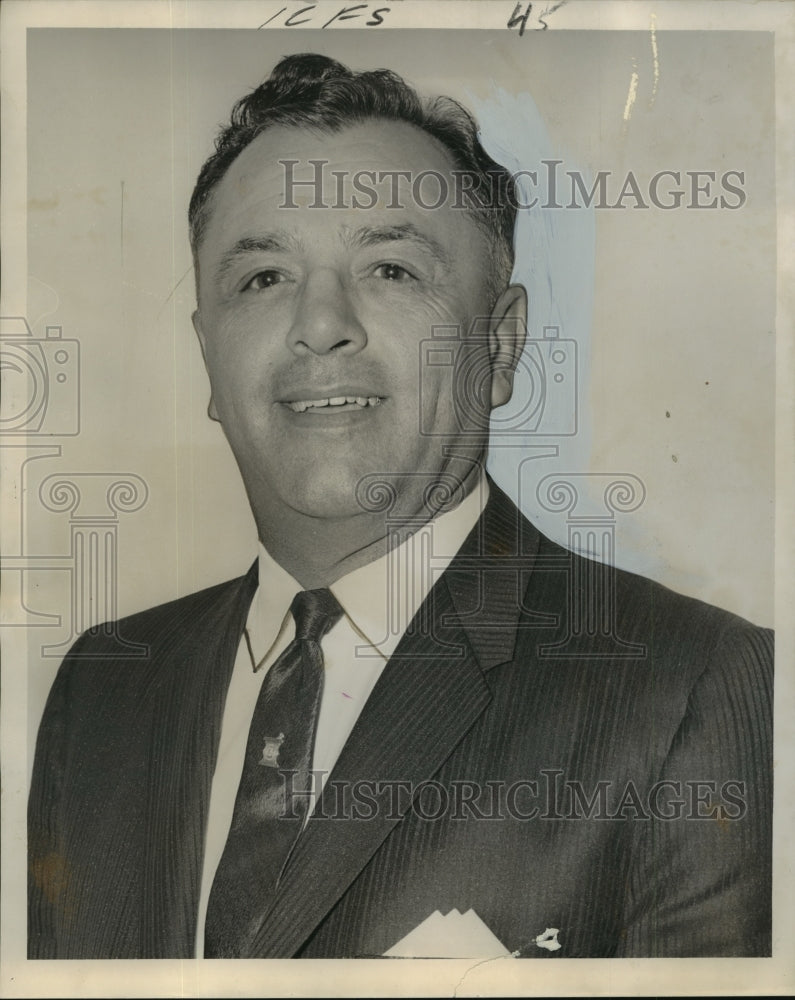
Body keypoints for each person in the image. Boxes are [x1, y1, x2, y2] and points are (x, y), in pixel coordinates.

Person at [27, 53, 773, 960]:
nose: (320, 323)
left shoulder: (695, 686)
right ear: (208, 357)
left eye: (388, 268)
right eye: (262, 278)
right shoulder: (105, 686)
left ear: (499, 347)